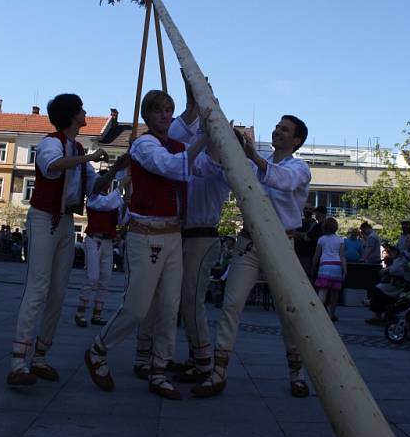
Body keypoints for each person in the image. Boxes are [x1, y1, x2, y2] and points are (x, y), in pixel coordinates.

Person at [84, 89, 209, 400]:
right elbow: (170, 167)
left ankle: (159, 369)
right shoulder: (143, 144)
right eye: (158, 111)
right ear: (147, 116)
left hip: (172, 233)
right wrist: (205, 138)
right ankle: (99, 349)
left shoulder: (177, 145)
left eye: (168, 110)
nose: (165, 116)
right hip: (145, 234)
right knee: (138, 307)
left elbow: (195, 163)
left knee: (169, 307)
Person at [6, 93, 128, 387]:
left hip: (64, 221)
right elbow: (52, 166)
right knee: (38, 287)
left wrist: (116, 168)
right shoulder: (53, 143)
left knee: (58, 291)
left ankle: (39, 357)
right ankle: (18, 362)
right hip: (44, 217)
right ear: (73, 115)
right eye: (82, 109)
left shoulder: (75, 147)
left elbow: (94, 188)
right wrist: (89, 157)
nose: (86, 112)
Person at [193, 115, 311, 400]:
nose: (277, 131)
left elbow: (283, 181)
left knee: (289, 312)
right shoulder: (254, 164)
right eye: (277, 127)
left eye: (285, 130)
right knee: (231, 304)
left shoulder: (300, 168)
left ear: (296, 140)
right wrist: (220, 140)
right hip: (249, 242)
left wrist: (252, 157)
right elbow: (225, 172)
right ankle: (218, 371)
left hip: (281, 244)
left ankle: (297, 373)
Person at [133, 88, 231, 386]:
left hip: (200, 235)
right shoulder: (176, 146)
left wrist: (211, 127)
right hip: (175, 233)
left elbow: (198, 162)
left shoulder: (210, 156)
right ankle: (149, 356)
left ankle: (202, 361)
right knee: (158, 298)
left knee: (188, 300)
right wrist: (194, 99)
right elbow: (174, 134)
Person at [74, 184, 128, 328]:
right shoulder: (93, 198)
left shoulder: (111, 200)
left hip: (107, 242)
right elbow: (106, 204)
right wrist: (122, 188)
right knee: (93, 277)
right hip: (94, 239)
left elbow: (121, 221)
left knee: (105, 278)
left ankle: (97, 314)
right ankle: (80, 312)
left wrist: (126, 202)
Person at [312, 216, 346, 322]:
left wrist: (313, 266)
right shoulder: (340, 240)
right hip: (336, 266)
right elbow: (342, 256)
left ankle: (319, 313)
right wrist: (345, 269)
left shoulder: (321, 239)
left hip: (325, 265)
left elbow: (316, 255)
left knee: (323, 290)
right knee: (334, 292)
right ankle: (332, 314)